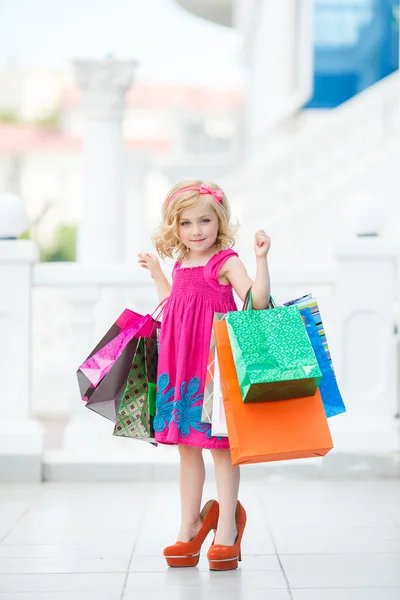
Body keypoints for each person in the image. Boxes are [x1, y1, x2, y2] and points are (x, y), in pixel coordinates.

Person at [138, 179, 271, 571]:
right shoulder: (181, 264)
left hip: (213, 367)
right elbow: (173, 306)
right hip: (180, 367)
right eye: (186, 223)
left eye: (204, 221)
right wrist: (159, 275)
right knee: (186, 447)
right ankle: (189, 525)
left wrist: (261, 260)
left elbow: (257, 303)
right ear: (174, 227)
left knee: (221, 448)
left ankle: (227, 527)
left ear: (220, 220)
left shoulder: (225, 261)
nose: (196, 231)